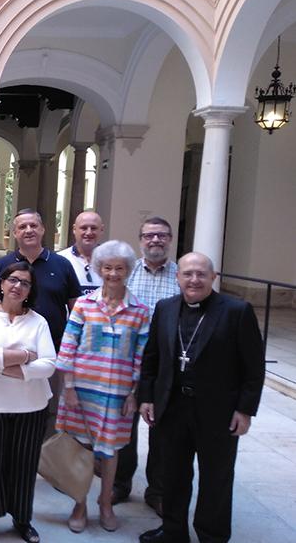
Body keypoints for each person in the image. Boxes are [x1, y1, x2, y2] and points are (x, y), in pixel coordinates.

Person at [138, 252, 265, 543]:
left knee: (216, 478)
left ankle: (212, 535)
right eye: (188, 274)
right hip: (172, 408)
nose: (194, 280)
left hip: (218, 411)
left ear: (213, 277)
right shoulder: (166, 308)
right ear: (177, 277)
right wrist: (147, 397)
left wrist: (245, 410)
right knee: (172, 474)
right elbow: (152, 357)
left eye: (201, 274)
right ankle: (173, 531)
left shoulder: (236, 311)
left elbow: (254, 366)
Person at [55, 240, 150, 533]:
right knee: (81, 449)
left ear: (128, 270)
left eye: (119, 268)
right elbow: (68, 346)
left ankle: (105, 503)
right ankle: (80, 503)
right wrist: (69, 387)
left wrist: (134, 394)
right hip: (81, 391)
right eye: (107, 268)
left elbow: (141, 356)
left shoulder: (140, 311)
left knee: (110, 451)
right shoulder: (84, 305)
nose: (113, 274)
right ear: (99, 269)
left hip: (117, 394)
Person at [0, 261, 56, 543]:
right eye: (13, 280)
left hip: (31, 407)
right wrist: (25, 356)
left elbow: (49, 364)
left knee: (24, 465)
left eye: (25, 283)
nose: (18, 286)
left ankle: (22, 518)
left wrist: (8, 368)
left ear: (30, 290)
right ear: (2, 283)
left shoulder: (38, 322)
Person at [0, 209, 81, 436]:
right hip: (9, 354)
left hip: (50, 354)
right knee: (7, 409)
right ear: (14, 233)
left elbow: (76, 312)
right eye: (22, 227)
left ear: (43, 229)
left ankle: (42, 455)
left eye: (33, 225)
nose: (28, 230)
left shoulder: (62, 265)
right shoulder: (0, 266)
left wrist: (73, 350)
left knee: (47, 410)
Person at [114, 216, 180, 513]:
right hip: (129, 361)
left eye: (161, 235)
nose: (155, 240)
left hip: (167, 364)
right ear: (140, 240)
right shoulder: (127, 274)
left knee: (162, 428)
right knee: (125, 425)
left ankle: (157, 490)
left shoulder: (181, 276)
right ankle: (120, 483)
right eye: (150, 235)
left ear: (170, 239)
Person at [58, 210, 104, 295]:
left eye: (93, 228)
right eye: (84, 228)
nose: (89, 232)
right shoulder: (59, 260)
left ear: (101, 230)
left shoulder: (112, 261)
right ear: (74, 229)